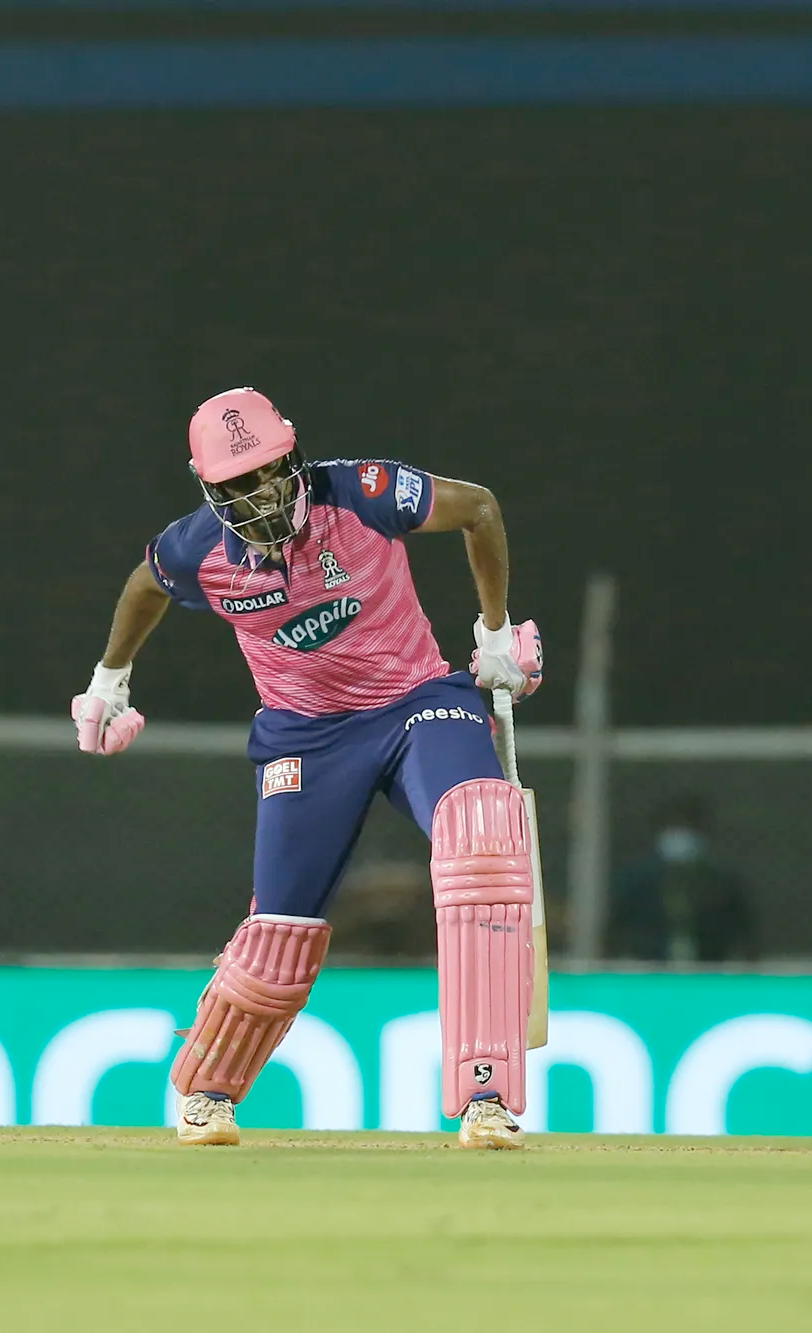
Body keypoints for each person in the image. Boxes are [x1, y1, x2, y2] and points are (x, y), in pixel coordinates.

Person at [72, 388, 543, 1150]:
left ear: (292, 457)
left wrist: (493, 630)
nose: (255, 496)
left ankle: (487, 1096)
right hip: (306, 736)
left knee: (482, 830)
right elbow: (143, 585)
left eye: (264, 473)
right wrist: (108, 677)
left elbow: (480, 508)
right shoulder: (197, 550)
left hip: (415, 700)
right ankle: (208, 1093)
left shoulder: (362, 491)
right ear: (209, 489)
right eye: (233, 486)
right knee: (279, 926)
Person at [608, 795, 757, 963]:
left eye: (688, 828)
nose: (681, 836)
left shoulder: (725, 881)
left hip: (708, 967)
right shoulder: (636, 879)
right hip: (650, 967)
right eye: (674, 828)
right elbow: (615, 925)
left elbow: (744, 929)